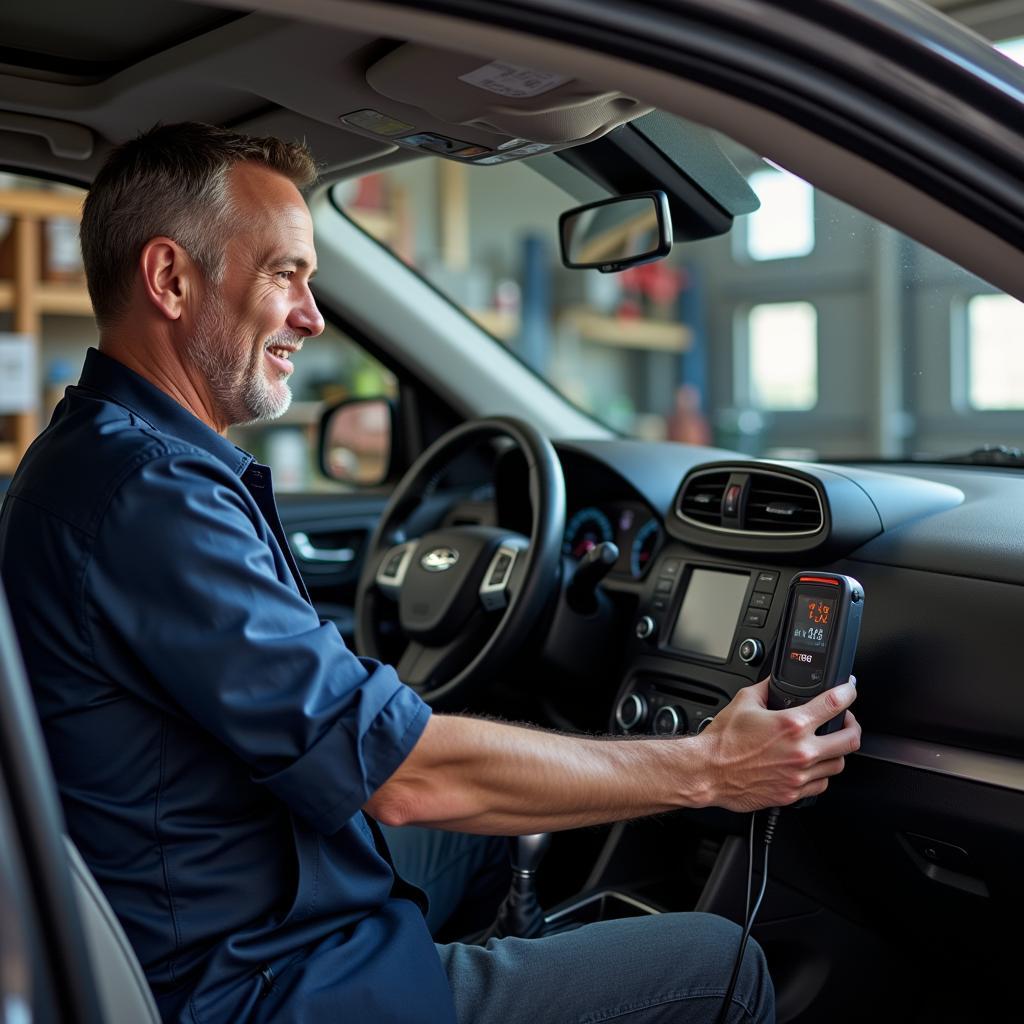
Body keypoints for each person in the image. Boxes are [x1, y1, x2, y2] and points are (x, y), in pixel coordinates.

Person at [0, 123, 860, 1024]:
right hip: (257, 986)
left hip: (222, 912)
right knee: (719, 967)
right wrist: (709, 768)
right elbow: (405, 779)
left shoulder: (95, 459)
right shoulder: (153, 494)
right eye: (285, 274)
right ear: (171, 279)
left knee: (494, 843)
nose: (311, 315)